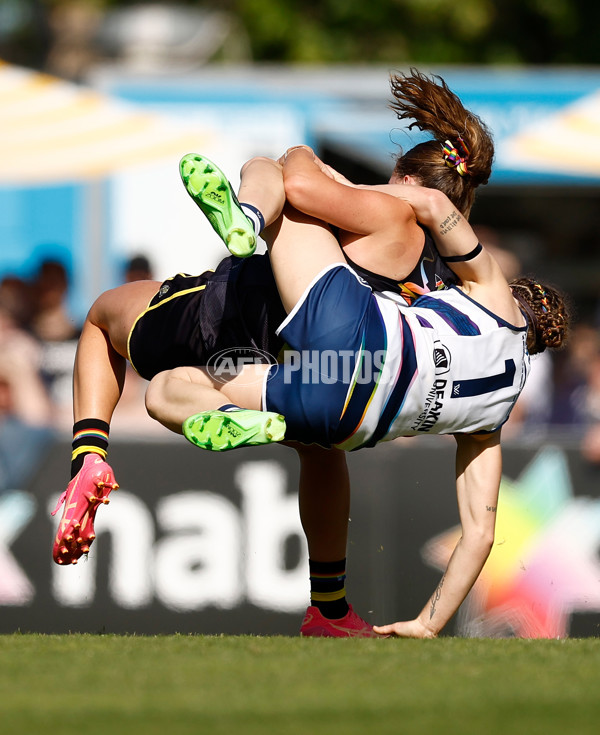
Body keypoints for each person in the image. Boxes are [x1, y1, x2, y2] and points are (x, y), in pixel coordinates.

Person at [51, 69, 499, 637]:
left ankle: (90, 454)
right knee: (319, 453)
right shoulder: (440, 272)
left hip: (237, 309)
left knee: (101, 319)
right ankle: (329, 607)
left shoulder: (393, 214)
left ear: (409, 180)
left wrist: (306, 159)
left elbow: (307, 187)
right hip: (306, 367)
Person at [144, 148, 568, 639]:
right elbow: (480, 535)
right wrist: (428, 623)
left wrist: (358, 190)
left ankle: (248, 215)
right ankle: (245, 419)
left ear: (521, 300)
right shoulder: (494, 416)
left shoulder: (495, 291)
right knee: (165, 390)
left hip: (357, 342)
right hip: (350, 422)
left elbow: (430, 202)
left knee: (288, 181)